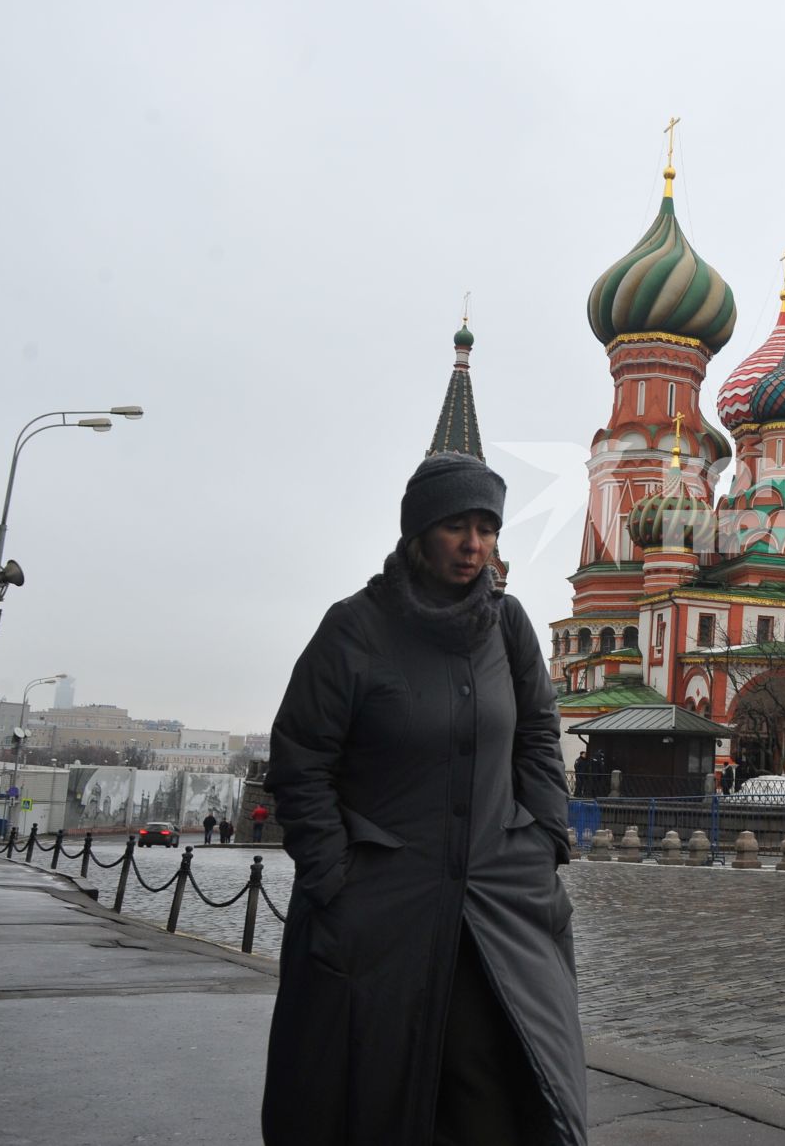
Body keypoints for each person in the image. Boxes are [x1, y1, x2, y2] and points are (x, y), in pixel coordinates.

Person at [262, 452, 587, 1145]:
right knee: (374, 1092)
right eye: (456, 527)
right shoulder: (354, 629)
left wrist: (543, 840)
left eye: (487, 528)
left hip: (499, 904)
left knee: (494, 1090)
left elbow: (536, 731)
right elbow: (300, 760)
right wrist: (334, 877)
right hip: (381, 912)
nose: (474, 545)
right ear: (417, 533)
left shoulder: (508, 625)